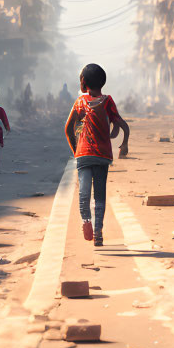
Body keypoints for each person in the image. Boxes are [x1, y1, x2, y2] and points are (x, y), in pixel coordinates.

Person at [64, 63, 129, 247]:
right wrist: (124, 143)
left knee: (84, 192)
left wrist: (75, 150)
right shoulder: (108, 101)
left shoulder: (80, 102)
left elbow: (68, 129)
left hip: (84, 154)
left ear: (83, 82)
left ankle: (86, 221)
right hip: (102, 155)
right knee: (100, 194)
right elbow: (122, 124)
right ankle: (99, 231)